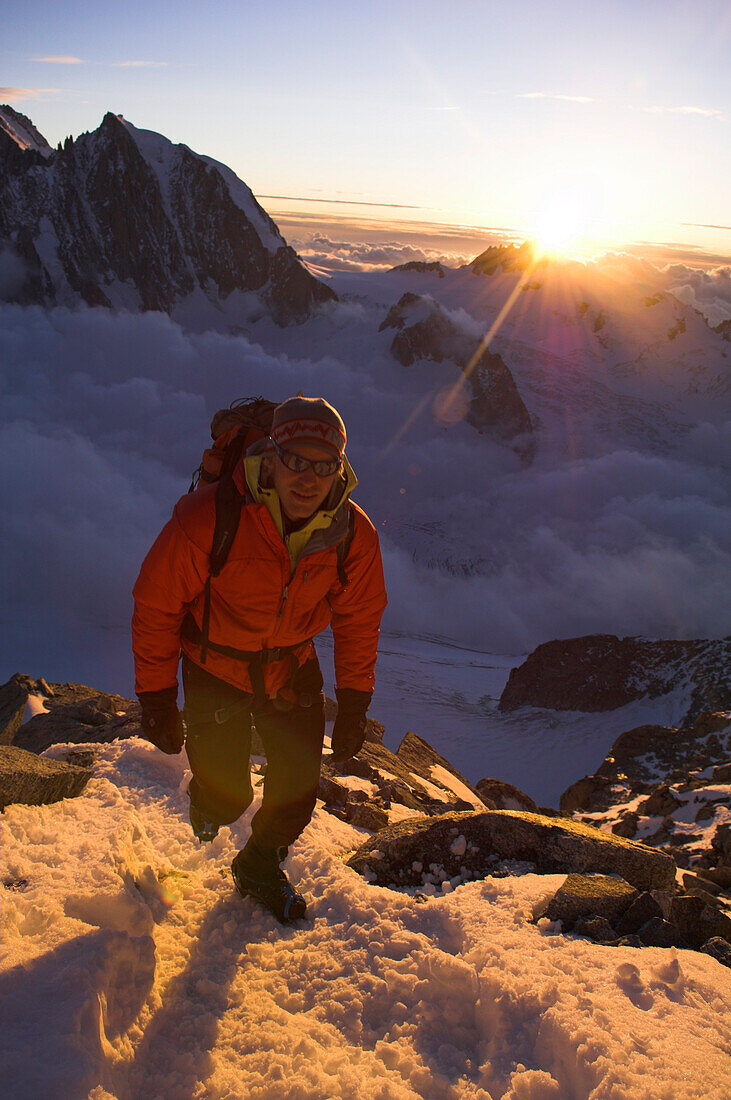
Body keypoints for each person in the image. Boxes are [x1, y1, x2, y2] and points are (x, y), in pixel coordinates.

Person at [132, 396, 387, 923]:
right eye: (296, 459)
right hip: (214, 667)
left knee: (296, 795)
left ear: (341, 468)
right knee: (227, 798)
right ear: (271, 455)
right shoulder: (209, 515)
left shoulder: (352, 534)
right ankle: (210, 803)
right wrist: (156, 698)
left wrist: (355, 703)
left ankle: (258, 864)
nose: (309, 477)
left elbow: (359, 619)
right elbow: (157, 605)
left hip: (291, 668)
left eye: (325, 465)